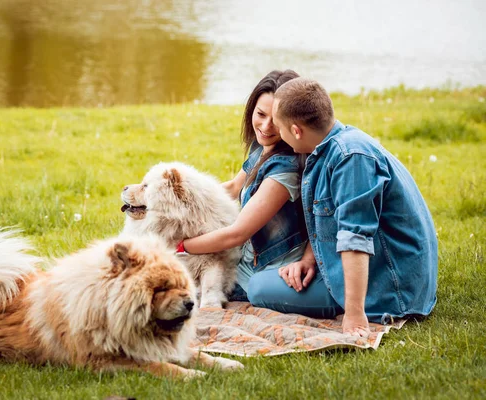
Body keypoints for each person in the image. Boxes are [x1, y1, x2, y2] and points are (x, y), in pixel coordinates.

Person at [270, 77, 438, 335]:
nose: (276, 132)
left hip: (390, 292)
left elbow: (355, 238)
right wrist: (308, 258)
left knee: (258, 288)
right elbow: (329, 220)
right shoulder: (335, 145)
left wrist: (355, 314)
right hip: (386, 276)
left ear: (296, 131)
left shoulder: (350, 159)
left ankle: (358, 305)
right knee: (263, 282)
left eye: (278, 126)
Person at [177, 70, 344, 320]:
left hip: (265, 270)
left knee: (181, 278)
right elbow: (233, 188)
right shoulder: (264, 146)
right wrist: (185, 202)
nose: (266, 127)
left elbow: (237, 234)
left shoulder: (286, 170)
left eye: (275, 120)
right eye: (260, 114)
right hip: (246, 255)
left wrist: (180, 245)